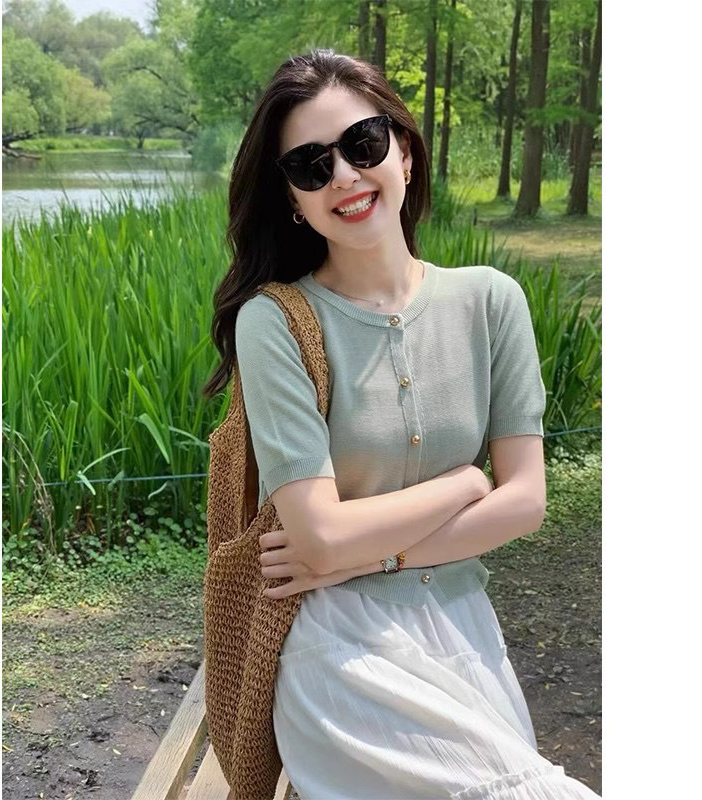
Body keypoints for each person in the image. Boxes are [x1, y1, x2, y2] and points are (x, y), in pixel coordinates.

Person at [203, 49, 601, 800]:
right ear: (292, 198)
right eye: (311, 165)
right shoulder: (275, 322)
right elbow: (320, 537)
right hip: (338, 649)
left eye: (362, 144)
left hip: (465, 630)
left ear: (406, 154)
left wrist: (365, 556)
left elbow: (526, 503)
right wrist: (465, 483)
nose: (344, 177)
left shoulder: (491, 301)